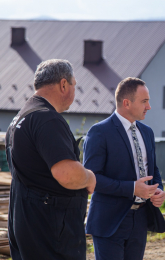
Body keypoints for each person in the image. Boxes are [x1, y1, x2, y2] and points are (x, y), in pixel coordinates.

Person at [5, 59, 96, 260]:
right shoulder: (47, 119)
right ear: (63, 84)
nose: (74, 90)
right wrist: (89, 177)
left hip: (29, 223)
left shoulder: (21, 118)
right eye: (74, 84)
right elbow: (66, 174)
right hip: (51, 232)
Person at [83, 77, 165, 260]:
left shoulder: (147, 132)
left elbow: (153, 169)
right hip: (109, 220)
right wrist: (132, 188)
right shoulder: (99, 132)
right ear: (127, 103)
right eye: (144, 101)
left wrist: (158, 189)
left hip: (140, 219)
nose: (149, 106)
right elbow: (91, 178)